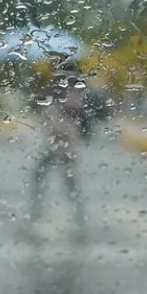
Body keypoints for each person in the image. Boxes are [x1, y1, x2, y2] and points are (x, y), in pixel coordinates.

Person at [26, 59, 110, 230]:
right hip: (58, 138)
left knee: (62, 176)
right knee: (51, 175)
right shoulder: (60, 87)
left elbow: (75, 108)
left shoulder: (72, 87)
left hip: (65, 139)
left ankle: (77, 214)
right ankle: (73, 213)